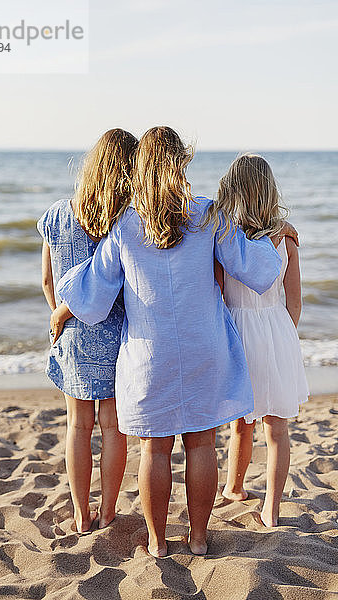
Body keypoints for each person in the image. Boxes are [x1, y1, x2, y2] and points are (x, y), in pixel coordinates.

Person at [53, 127, 287, 556]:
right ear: (182, 164)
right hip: (205, 347)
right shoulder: (208, 214)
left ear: (140, 169)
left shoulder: (125, 225)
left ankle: (158, 543)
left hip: (149, 355)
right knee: (201, 443)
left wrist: (60, 307)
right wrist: (275, 232)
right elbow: (257, 269)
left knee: (154, 449)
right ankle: (198, 539)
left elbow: (93, 291)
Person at [37, 128, 138, 533]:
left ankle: (81, 515)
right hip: (115, 334)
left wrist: (59, 317)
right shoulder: (124, 218)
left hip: (73, 336)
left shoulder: (58, 214)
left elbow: (47, 280)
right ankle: (109, 510)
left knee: (77, 426)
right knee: (112, 427)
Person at [211, 153, 309, 527]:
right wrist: (284, 334)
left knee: (241, 422)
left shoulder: (226, 239)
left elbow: (217, 293)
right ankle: (270, 507)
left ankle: (234, 487)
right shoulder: (286, 239)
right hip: (276, 329)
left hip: (237, 331)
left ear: (234, 190)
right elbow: (294, 299)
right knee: (277, 427)